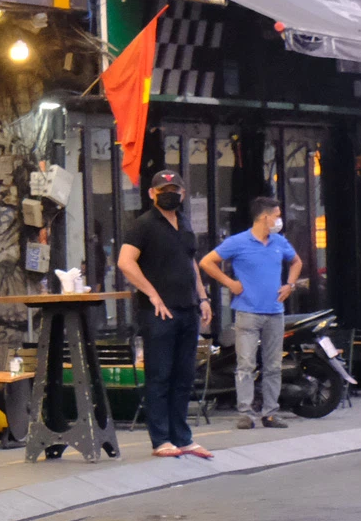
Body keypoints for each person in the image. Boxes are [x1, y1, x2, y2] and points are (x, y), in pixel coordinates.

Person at [120, 169, 212, 457]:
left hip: (188, 309)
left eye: (175, 189)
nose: (170, 193)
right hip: (158, 312)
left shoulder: (185, 223)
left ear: (183, 193)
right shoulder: (143, 225)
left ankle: (182, 437)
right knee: (159, 376)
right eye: (163, 189)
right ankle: (160, 440)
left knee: (184, 375)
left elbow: (191, 262)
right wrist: (152, 293)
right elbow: (125, 262)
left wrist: (203, 296)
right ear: (151, 193)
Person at [200, 194, 303, 430]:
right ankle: (245, 413)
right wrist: (230, 283)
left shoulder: (280, 242)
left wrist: (290, 284)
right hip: (247, 311)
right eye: (277, 216)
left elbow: (296, 262)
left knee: (273, 365)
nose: (279, 220)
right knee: (246, 364)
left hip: (275, 312)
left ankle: (270, 413)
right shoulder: (238, 242)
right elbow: (206, 262)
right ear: (265, 217)